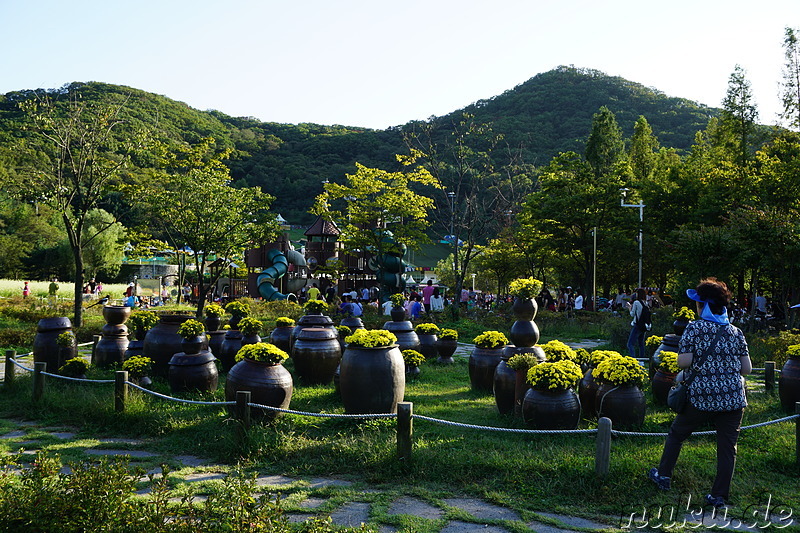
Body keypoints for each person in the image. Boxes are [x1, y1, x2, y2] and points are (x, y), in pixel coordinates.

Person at [649, 278, 752, 509]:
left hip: (701, 397)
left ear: (702, 305)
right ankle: (719, 496)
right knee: (727, 448)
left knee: (677, 434)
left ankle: (663, 476)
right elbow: (747, 369)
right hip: (734, 399)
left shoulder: (695, 327)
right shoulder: (735, 332)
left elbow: (684, 361)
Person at [627, 288, 649, 358]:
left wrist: (630, 307)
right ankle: (642, 359)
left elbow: (632, 314)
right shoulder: (646, 303)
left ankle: (633, 358)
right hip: (644, 326)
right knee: (641, 344)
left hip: (637, 325)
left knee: (630, 344)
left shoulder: (636, 302)